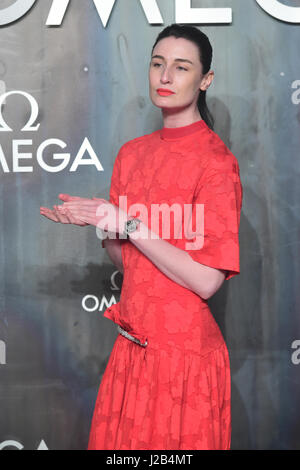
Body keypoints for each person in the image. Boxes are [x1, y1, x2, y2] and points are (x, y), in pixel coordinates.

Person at [40, 24, 243, 450]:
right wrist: (101, 223)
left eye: (181, 67)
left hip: (184, 361)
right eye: (157, 64)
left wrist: (127, 223)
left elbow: (206, 281)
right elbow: (130, 263)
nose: (165, 77)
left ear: (204, 80)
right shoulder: (131, 155)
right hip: (132, 349)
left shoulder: (216, 164)